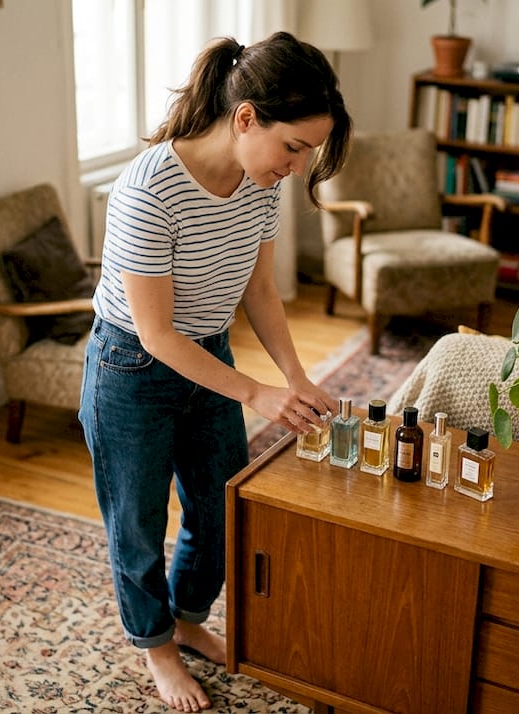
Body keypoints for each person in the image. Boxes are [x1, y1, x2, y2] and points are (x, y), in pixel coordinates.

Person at [77, 31, 351, 712]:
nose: (295, 166)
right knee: (136, 523)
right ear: (247, 117)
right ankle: (157, 646)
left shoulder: (261, 183)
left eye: (307, 154)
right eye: (293, 147)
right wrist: (255, 392)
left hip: (207, 359)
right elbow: (157, 332)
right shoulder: (149, 191)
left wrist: (293, 376)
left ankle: (189, 616)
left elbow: (258, 290)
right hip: (131, 368)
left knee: (219, 504)